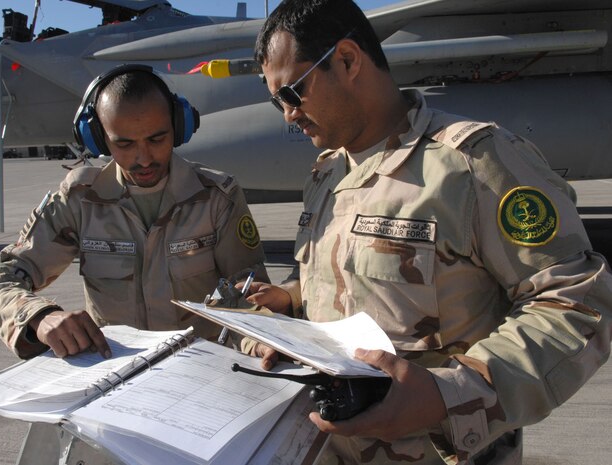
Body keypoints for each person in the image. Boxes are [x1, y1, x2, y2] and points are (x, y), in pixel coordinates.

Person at [243, 1, 612, 464]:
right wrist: (294, 300)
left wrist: (447, 395)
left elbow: (577, 303)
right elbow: (365, 278)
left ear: (348, 60)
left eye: (293, 93)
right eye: (278, 101)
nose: (288, 116)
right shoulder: (327, 175)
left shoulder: (474, 163)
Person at [0, 64, 269, 360]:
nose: (143, 159)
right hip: (115, 376)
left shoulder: (216, 198)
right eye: (125, 144)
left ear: (179, 127)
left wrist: (255, 341)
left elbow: (247, 293)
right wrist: (39, 317)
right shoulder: (81, 201)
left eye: (157, 139)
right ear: (98, 138)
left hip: (200, 371)